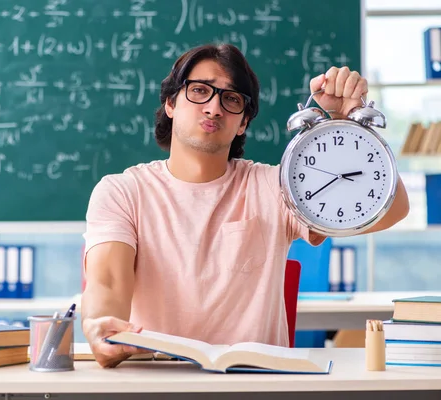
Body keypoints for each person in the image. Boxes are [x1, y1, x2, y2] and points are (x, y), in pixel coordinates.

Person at [81, 43, 410, 368]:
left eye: (231, 99)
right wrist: (102, 327)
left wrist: (347, 122)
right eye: (199, 91)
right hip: (157, 378)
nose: (214, 108)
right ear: (170, 103)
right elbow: (108, 281)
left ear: (242, 123)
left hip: (258, 383)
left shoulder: (276, 186)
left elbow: (393, 207)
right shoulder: (122, 192)